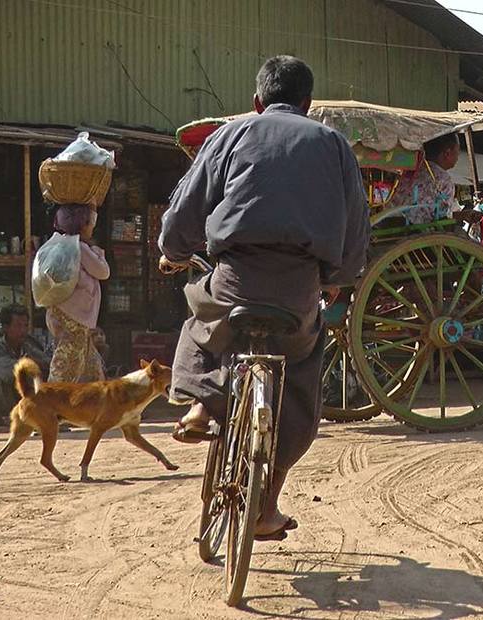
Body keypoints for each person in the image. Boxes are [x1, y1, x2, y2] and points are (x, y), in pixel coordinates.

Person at [159, 55, 370, 540]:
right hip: (299, 293)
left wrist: (173, 252)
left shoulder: (230, 134)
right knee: (299, 373)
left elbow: (186, 209)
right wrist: (336, 277)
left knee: (200, 323)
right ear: (308, 103)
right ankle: (266, 505)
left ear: (258, 101)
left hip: (235, 279)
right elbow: (356, 228)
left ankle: (200, 404)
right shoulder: (334, 145)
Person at [46, 204, 109, 383]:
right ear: (81, 224)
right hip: (75, 316)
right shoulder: (79, 247)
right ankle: (50, 401)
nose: (92, 227)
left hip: (59, 311)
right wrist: (98, 253)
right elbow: (103, 272)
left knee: (89, 362)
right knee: (67, 363)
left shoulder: (57, 243)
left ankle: (98, 402)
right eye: (89, 223)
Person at [387, 133, 482, 226]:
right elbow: (443, 219)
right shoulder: (443, 179)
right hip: (417, 230)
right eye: (457, 150)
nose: (458, 155)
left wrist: (462, 215)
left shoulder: (412, 171)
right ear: (447, 153)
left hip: (392, 221)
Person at [0, 305, 50, 426]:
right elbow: (9, 374)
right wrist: (29, 363)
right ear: (6, 328)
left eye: (25, 326)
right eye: (18, 326)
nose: (23, 330)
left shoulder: (27, 345)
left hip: (20, 403)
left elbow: (48, 363)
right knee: (19, 374)